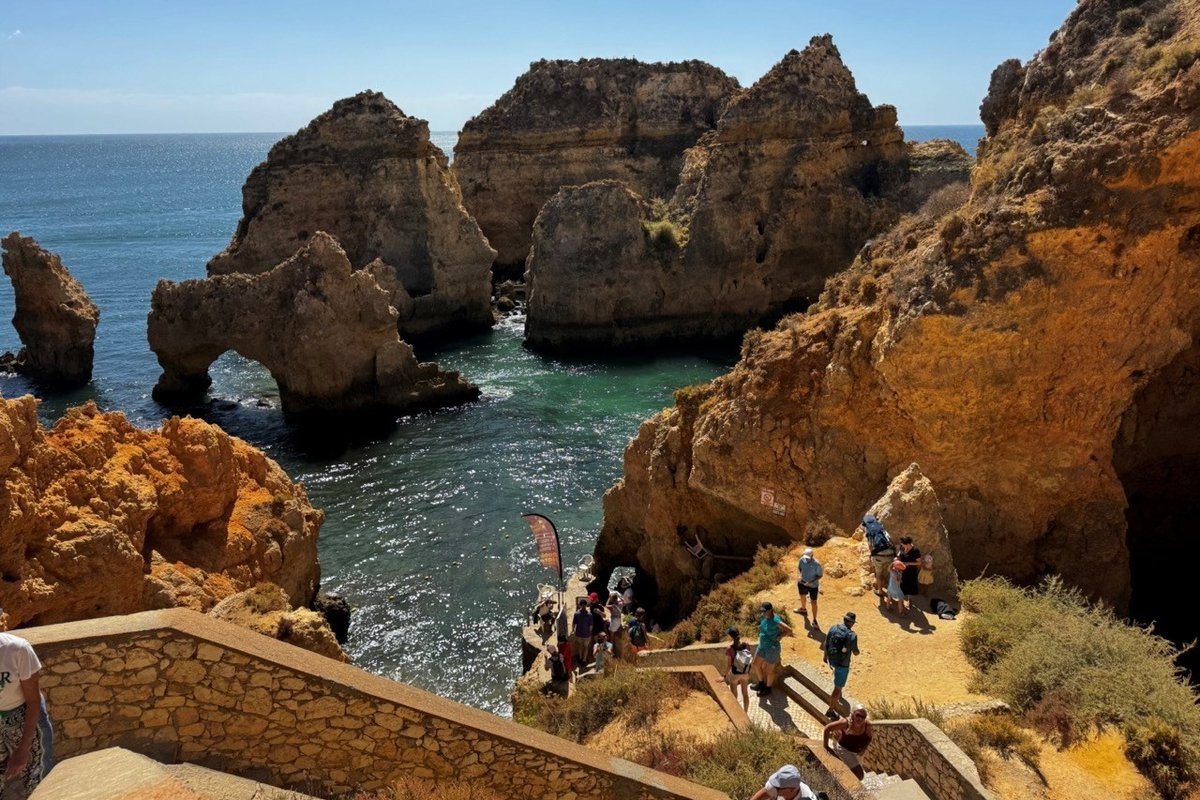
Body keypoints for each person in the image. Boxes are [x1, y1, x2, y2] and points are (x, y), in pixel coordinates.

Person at [0, 632, 46, 800]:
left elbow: (33, 701)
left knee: (38, 778)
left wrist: (23, 749)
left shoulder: (17, 649)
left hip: (22, 716)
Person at [750, 602, 792, 695]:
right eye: (762, 611)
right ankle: (761, 684)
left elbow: (789, 630)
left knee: (769, 671)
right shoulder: (764, 617)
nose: (763, 613)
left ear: (770, 610)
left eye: (764, 611)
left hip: (772, 649)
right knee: (755, 665)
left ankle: (768, 688)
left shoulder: (775, 620)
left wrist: (780, 636)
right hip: (762, 646)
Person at [823, 611, 859, 719]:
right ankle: (830, 711)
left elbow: (826, 643)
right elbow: (856, 652)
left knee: (837, 677)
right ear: (852, 623)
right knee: (837, 688)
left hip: (832, 659)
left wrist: (825, 656)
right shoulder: (852, 636)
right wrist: (856, 651)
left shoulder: (833, 628)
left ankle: (839, 692)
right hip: (843, 665)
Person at [823, 705, 873, 779]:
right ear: (853, 714)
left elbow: (869, 737)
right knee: (859, 774)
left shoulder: (867, 725)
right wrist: (826, 746)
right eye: (858, 715)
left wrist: (864, 749)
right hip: (844, 750)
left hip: (858, 753)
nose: (860, 718)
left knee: (852, 771)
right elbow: (827, 728)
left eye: (863, 717)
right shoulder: (845, 723)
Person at [862, 514, 895, 597]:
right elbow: (890, 540)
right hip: (890, 554)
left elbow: (870, 545)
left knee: (879, 574)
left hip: (878, 556)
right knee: (891, 573)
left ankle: (880, 591)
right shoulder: (881, 529)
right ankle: (893, 591)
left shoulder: (869, 531)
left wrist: (872, 554)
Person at [724, 627, 754, 712]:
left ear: (731, 636)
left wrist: (725, 676)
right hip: (745, 673)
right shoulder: (746, 645)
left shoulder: (729, 649)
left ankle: (737, 713)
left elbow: (729, 665)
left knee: (734, 695)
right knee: (745, 694)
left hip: (735, 674)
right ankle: (745, 713)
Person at [749, 764, 820, 800]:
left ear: (791, 790)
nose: (774, 787)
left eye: (778, 787)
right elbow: (766, 791)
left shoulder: (807, 797)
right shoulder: (777, 787)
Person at [795, 547, 823, 625]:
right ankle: (803, 609)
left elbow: (820, 575)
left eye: (808, 558)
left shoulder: (817, 564)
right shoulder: (802, 560)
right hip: (802, 582)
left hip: (813, 585)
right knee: (802, 596)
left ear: (812, 556)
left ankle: (814, 620)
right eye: (805, 557)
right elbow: (799, 568)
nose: (806, 559)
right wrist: (799, 575)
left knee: (813, 602)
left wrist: (811, 581)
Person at [897, 537, 922, 606]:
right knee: (902, 585)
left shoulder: (915, 551)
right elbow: (899, 556)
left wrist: (908, 563)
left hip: (911, 571)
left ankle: (909, 600)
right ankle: (901, 601)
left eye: (903, 544)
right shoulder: (902, 548)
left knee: (910, 586)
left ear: (908, 544)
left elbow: (919, 563)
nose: (902, 545)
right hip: (902, 571)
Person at [571, 598, 593, 671]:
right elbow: (590, 626)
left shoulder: (576, 614)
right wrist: (590, 633)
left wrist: (573, 631)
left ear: (580, 605)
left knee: (580, 646)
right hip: (586, 634)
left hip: (579, 633)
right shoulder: (589, 615)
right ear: (586, 605)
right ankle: (584, 660)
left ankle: (580, 658)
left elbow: (574, 624)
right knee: (586, 647)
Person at [606, 592, 624, 658]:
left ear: (612, 599)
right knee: (614, 635)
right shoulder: (621, 604)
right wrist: (619, 596)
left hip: (614, 620)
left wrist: (609, 598)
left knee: (611, 638)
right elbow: (623, 600)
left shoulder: (613, 606)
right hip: (618, 620)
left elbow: (606, 605)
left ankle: (612, 652)